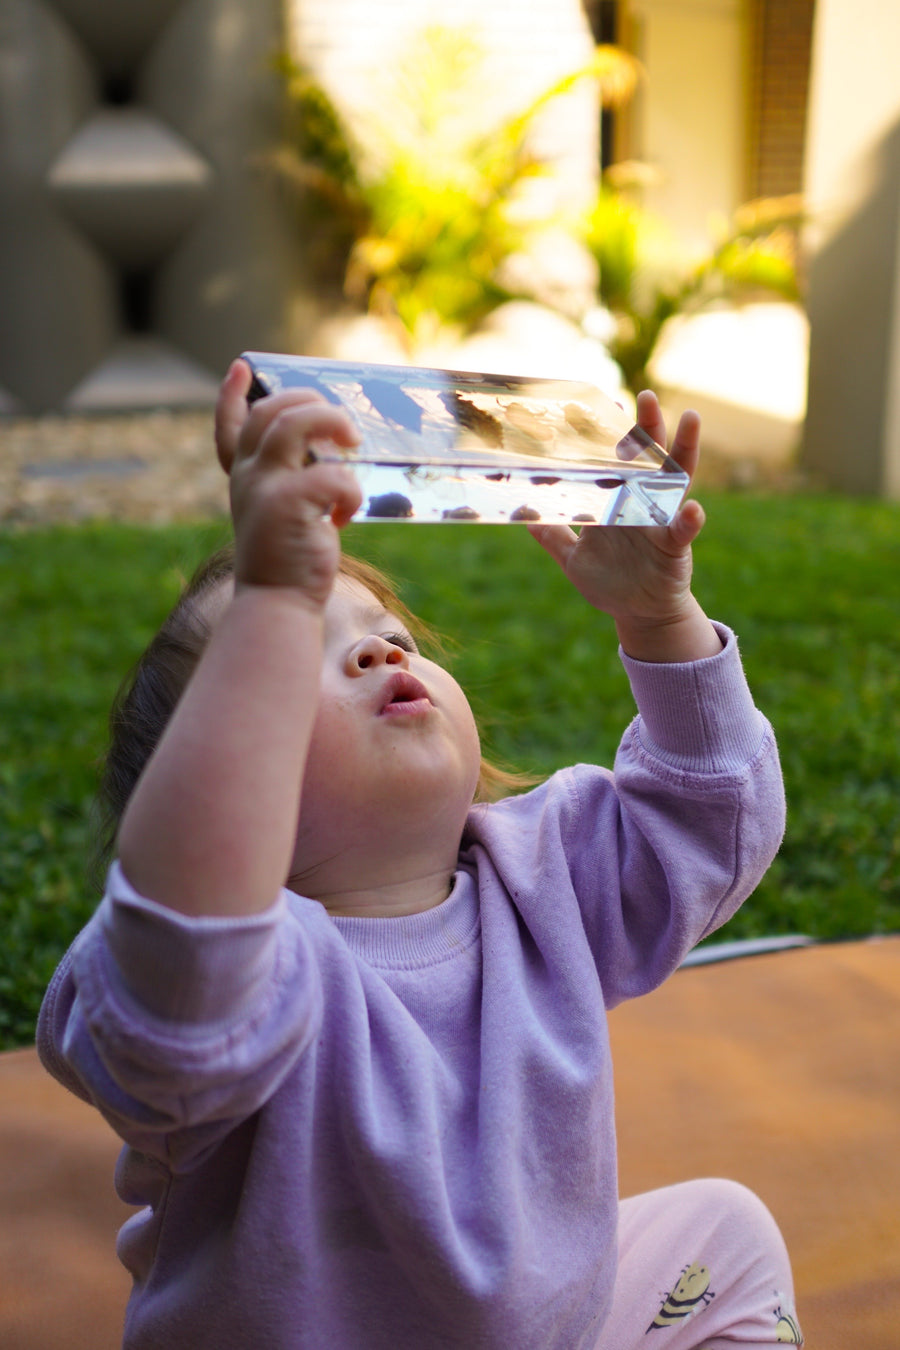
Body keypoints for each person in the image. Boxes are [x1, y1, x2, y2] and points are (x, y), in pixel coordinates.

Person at [37, 359, 803, 1349]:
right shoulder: (241, 980)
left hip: (549, 1329)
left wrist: (658, 621)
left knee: (725, 1235)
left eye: (391, 632)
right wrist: (269, 596)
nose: (382, 653)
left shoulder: (543, 875)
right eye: (288, 657)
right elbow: (179, 944)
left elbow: (711, 827)